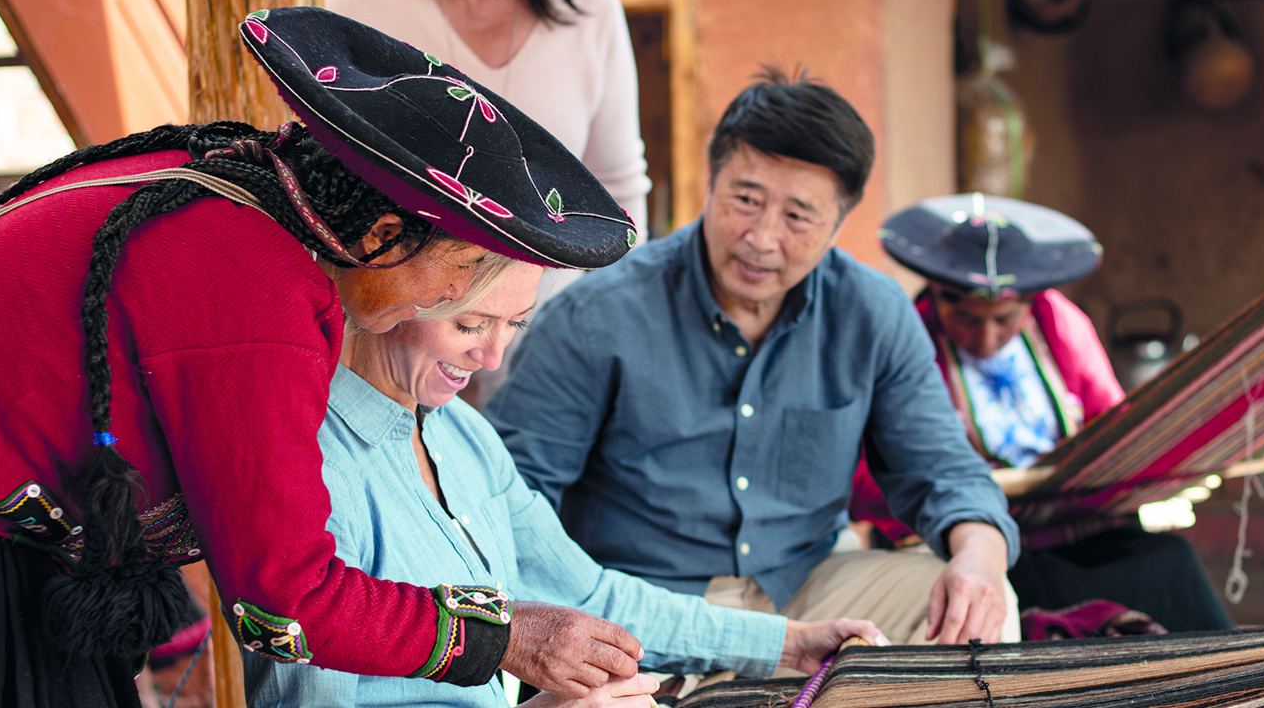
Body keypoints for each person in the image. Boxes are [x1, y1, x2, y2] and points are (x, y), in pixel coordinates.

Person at [0, 8, 646, 706]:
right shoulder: (254, 290)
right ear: (379, 236)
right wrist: (506, 638)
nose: (446, 309)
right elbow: (284, 603)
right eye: (459, 279)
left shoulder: (248, 187)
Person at [488, 69, 1020, 649]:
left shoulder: (873, 312)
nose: (762, 238)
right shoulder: (596, 314)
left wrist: (981, 558)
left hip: (805, 587)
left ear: (838, 223)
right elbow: (514, 497)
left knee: (975, 601)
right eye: (746, 200)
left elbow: (944, 471)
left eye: (797, 216)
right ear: (710, 182)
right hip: (642, 607)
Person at [249, 256, 884, 707]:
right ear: (387, 292)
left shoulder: (462, 435)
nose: (492, 358)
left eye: (515, 324)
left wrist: (789, 646)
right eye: (470, 325)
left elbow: (589, 596)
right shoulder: (309, 468)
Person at [856, 194, 1233, 635]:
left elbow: (1113, 427)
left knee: (1169, 561)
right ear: (938, 300)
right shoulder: (908, 341)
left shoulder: (1060, 324)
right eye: (966, 319)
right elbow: (872, 476)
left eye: (1004, 320)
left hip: (1071, 524)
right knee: (1033, 583)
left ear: (1030, 304)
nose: (985, 337)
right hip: (969, 538)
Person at [326, 0, 649, 293]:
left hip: (546, 318)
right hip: (386, 309)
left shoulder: (591, 6)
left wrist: (617, 306)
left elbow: (616, 192)